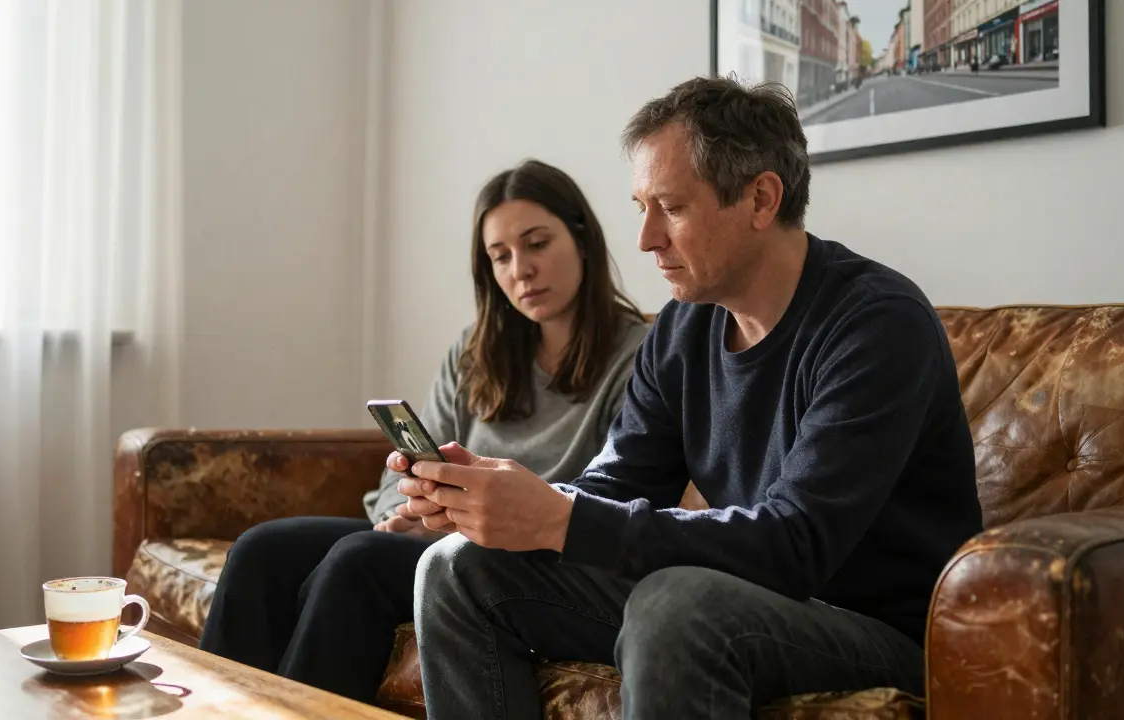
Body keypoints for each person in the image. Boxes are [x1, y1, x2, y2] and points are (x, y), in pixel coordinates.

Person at [396, 77, 983, 719]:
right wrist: (501, 496)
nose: (647, 238)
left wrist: (559, 519)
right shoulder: (684, 326)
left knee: (676, 606)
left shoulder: (877, 324)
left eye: (671, 208)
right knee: (456, 568)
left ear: (760, 198)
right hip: (740, 599)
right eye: (641, 208)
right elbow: (615, 485)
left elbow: (797, 544)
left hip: (879, 630)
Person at [196, 159, 649, 705]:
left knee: (357, 562)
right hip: (435, 534)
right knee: (261, 550)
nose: (521, 270)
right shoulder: (476, 352)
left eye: (537, 244)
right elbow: (410, 458)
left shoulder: (639, 357)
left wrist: (447, 524)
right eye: (500, 256)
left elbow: (608, 498)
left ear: (582, 240)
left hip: (518, 559)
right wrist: (402, 514)